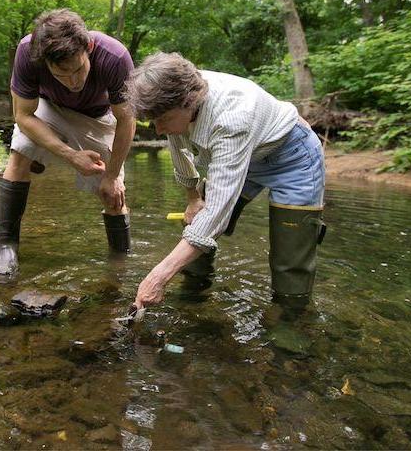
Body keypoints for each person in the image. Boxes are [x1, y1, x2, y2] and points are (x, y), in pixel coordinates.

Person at [126, 52, 326, 311]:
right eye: (153, 121)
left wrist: (158, 276)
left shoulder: (232, 119)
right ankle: (193, 298)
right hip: (242, 155)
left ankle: (291, 324)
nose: (158, 130)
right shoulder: (173, 95)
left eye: (162, 120)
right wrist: (192, 198)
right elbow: (179, 150)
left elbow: (217, 213)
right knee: (196, 219)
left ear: (189, 103)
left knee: (290, 260)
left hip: (293, 157)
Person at [0, 9, 136, 277]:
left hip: (98, 118)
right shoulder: (27, 52)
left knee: (112, 192)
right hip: (48, 109)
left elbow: (127, 121)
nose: (73, 81)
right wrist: (70, 155)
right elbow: (23, 115)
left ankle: (120, 262)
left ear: (89, 47)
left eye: (79, 69)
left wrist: (112, 174)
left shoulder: (115, 57)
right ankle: (6, 244)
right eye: (61, 74)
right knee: (19, 153)